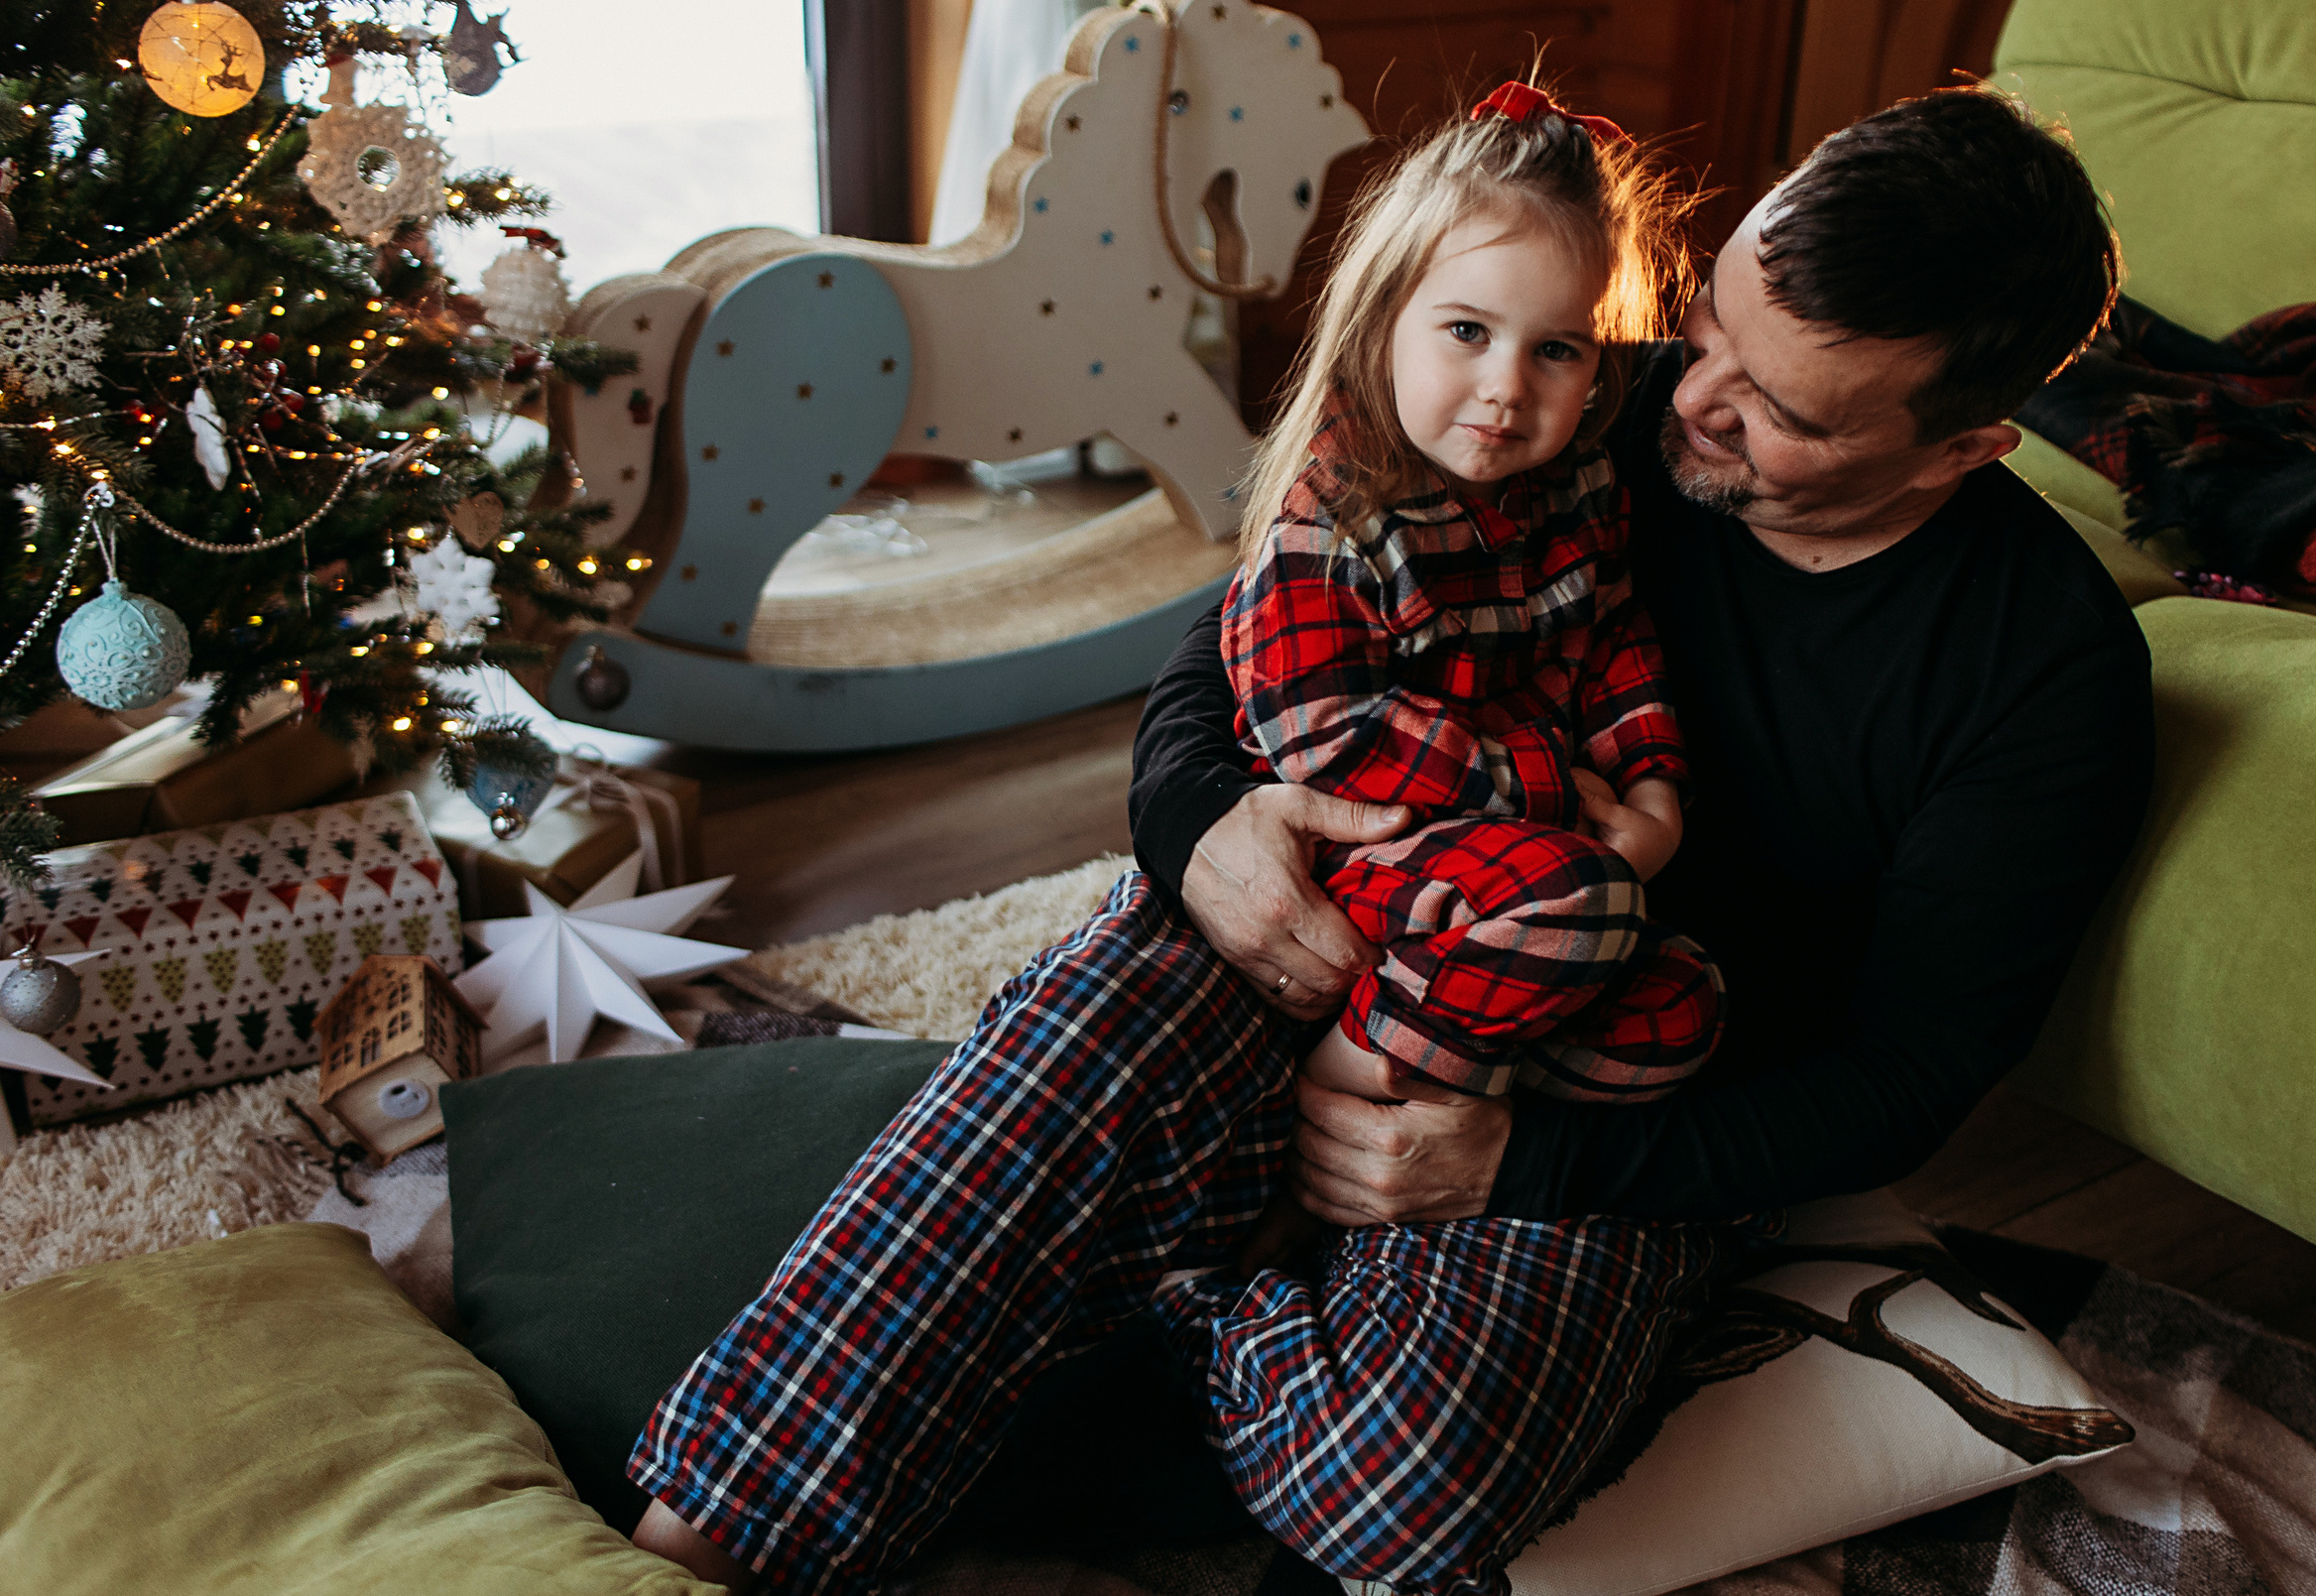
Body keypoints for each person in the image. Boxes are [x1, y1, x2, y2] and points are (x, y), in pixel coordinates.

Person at [631, 84, 2154, 1596]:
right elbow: (1245, 635)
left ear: (1965, 448)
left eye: (1781, 409)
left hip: (1616, 1085)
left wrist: (1518, 1159)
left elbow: (1908, 1077)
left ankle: (1174, 1278)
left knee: (1403, 1490)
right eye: (1706, 332)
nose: (1690, 401)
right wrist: (1197, 826)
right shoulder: (1567, 391)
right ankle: (689, 1544)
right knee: (1086, 1034)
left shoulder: (2043, 677)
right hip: (1358, 925)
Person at [1228, 81, 1724, 1159]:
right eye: (1466, 331)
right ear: (1384, 319)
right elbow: (1320, 729)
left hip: (1522, 872)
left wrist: (1651, 794)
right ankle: (1336, 1086)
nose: (1506, 388)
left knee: (1682, 1008)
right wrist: (1552, 800)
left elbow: (1615, 644)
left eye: (1557, 350)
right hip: (1371, 858)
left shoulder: (1576, 489)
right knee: (1586, 904)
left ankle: (1451, 1067)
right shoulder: (1338, 512)